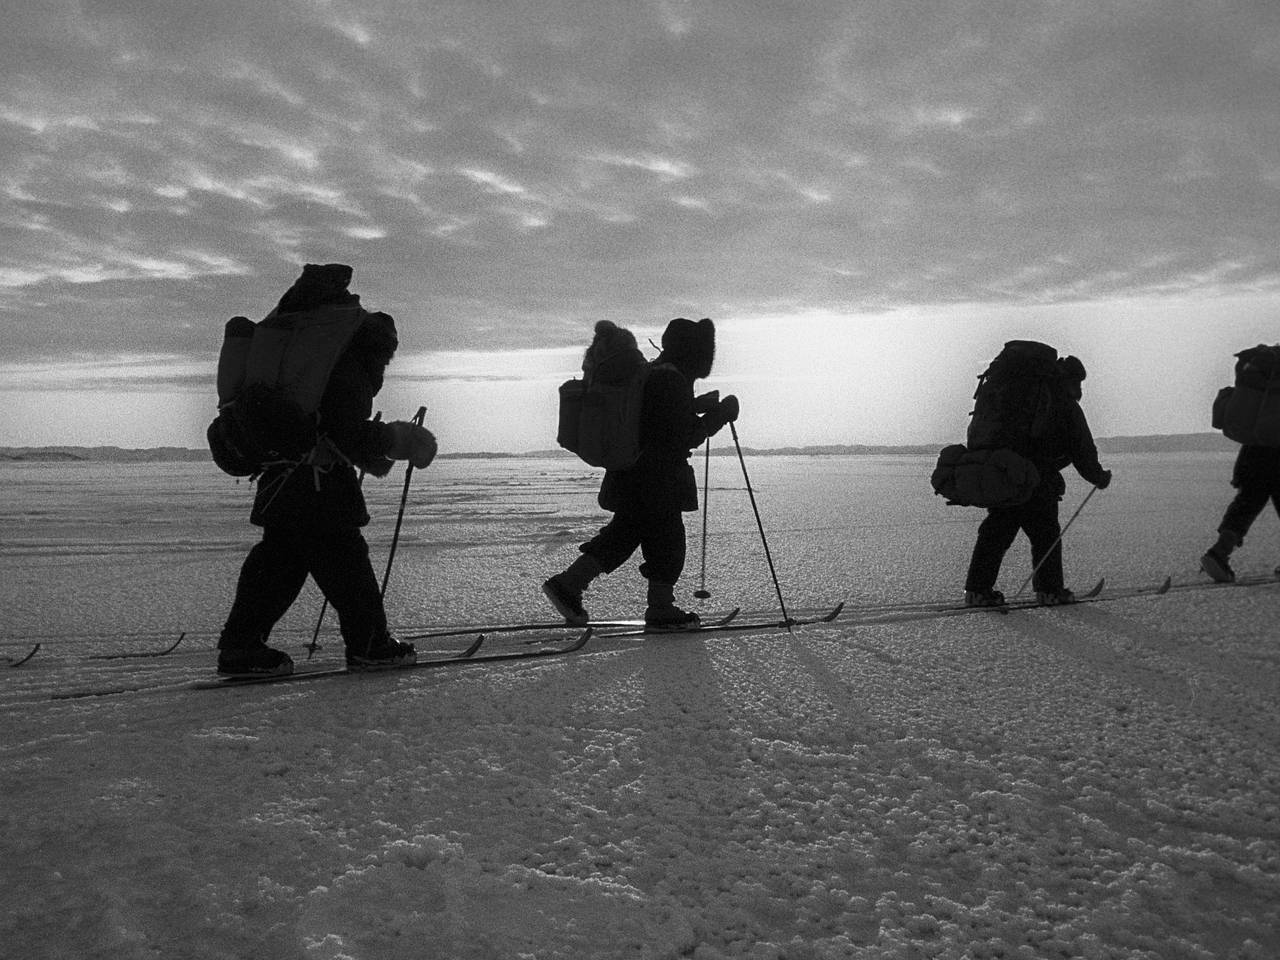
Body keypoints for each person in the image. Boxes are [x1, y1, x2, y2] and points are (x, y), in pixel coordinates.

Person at [216, 263, 437, 677]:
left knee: (279, 562)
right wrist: (401, 440)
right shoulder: (342, 354)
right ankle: (370, 645)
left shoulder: (290, 344)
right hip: (318, 483)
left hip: (280, 475)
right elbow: (344, 429)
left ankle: (241, 646)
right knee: (344, 559)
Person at [542, 317, 739, 629]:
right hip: (657, 479)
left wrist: (698, 405)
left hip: (635, 476)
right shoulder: (672, 381)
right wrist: (720, 415)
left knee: (624, 536)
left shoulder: (658, 372)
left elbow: (659, 419)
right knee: (668, 544)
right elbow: (683, 435)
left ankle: (569, 585)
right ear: (695, 354)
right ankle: (660, 608)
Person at [963, 354, 1113, 607]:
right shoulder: (1062, 402)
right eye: (1079, 384)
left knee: (996, 531)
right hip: (1038, 478)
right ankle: (1050, 590)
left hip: (1005, 472)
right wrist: (1097, 476)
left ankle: (977, 590)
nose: (1080, 390)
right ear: (1071, 380)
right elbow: (1081, 447)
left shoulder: (1015, 392)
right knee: (1045, 534)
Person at [1200, 446, 1280, 582]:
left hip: (1253, 455)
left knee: (1245, 506)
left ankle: (1220, 551)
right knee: (1246, 506)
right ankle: (1220, 552)